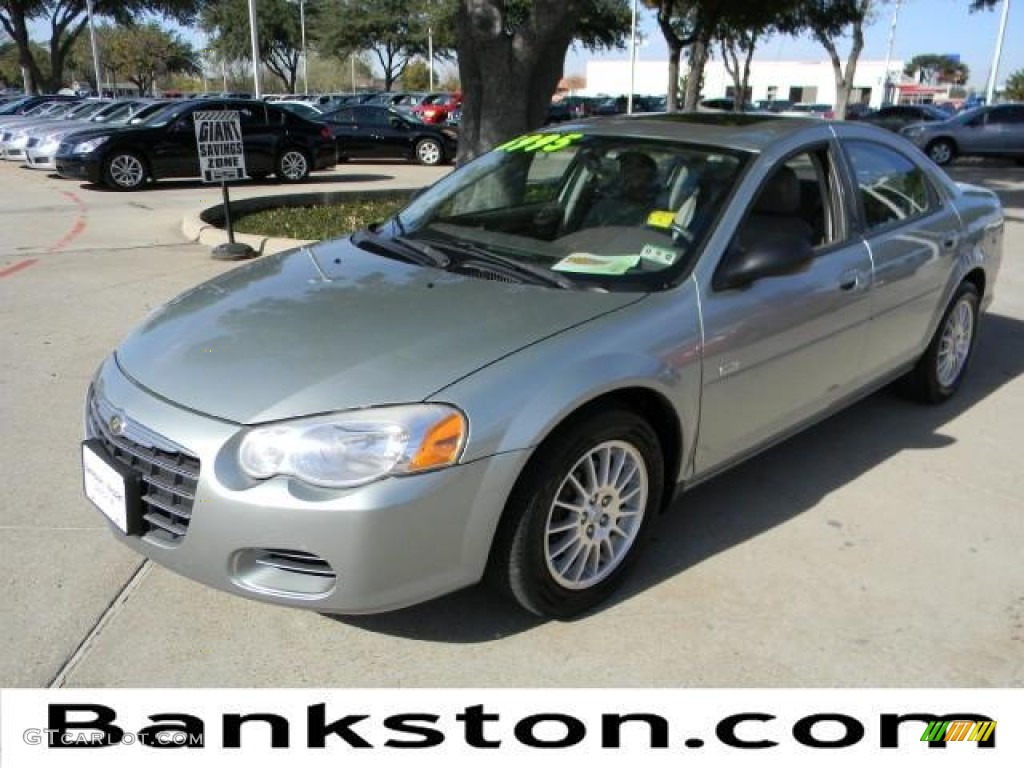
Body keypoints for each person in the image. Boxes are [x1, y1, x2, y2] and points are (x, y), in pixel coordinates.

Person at [582, 150, 658, 227]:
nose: (630, 178)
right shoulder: (604, 208)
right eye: (627, 172)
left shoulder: (661, 209)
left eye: (636, 174)